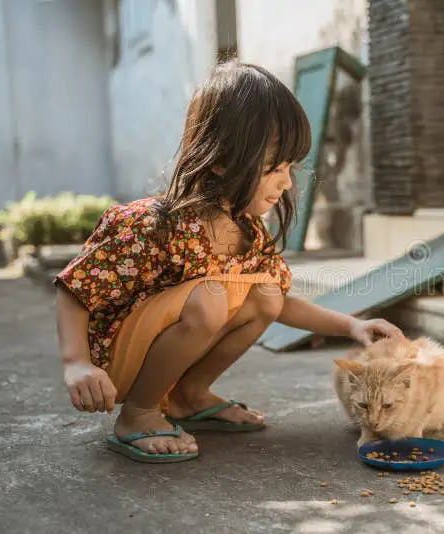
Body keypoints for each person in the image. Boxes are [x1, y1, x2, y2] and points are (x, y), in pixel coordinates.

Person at [53, 61, 404, 463]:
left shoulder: (247, 230)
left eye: (291, 167)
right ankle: (138, 415)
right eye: (275, 167)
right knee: (212, 296)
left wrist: (352, 325)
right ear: (221, 159)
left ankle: (188, 396)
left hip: (166, 346)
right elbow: (75, 286)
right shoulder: (152, 224)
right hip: (115, 366)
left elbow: (282, 303)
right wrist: (76, 363)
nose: (287, 182)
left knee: (266, 294)